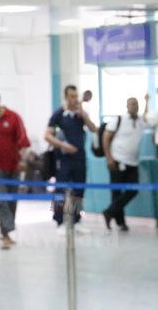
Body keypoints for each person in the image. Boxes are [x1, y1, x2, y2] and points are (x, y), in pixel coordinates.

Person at [0, 90, 31, 250]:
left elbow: (23, 141)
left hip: (13, 166)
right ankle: (6, 234)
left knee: (11, 200)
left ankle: (6, 230)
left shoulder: (13, 117)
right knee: (0, 200)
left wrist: (22, 160)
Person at [45, 84, 98, 234]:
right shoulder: (59, 114)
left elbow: (94, 129)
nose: (74, 99)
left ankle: (76, 220)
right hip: (63, 158)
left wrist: (84, 115)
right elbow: (47, 135)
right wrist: (63, 145)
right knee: (60, 190)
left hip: (79, 158)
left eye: (76, 96)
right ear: (66, 97)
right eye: (71, 96)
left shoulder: (81, 114)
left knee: (79, 190)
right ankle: (59, 221)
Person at [101, 97, 145, 232]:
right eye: (132, 104)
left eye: (136, 104)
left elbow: (147, 115)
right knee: (116, 192)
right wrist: (109, 158)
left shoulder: (140, 120)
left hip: (133, 162)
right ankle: (121, 223)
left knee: (133, 190)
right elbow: (106, 137)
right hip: (117, 160)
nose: (134, 106)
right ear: (127, 106)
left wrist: (148, 101)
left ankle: (109, 211)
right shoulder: (118, 119)